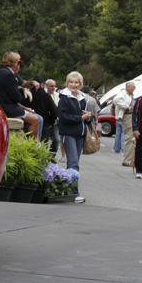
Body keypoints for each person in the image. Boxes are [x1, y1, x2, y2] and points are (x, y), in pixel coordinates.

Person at [56, 71, 90, 203]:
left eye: (76, 82)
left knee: (75, 164)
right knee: (73, 164)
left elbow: (83, 118)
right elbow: (63, 117)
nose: (73, 85)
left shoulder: (82, 98)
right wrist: (81, 117)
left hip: (80, 134)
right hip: (68, 133)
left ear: (80, 84)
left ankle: (68, 190)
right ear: (67, 82)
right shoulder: (64, 97)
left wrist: (87, 116)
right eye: (71, 82)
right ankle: (73, 193)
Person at [0, 52, 41, 139]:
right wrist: (22, 92)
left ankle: (36, 143)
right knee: (35, 120)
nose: (19, 65)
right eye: (18, 62)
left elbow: (24, 83)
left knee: (38, 117)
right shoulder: (8, 75)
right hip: (7, 107)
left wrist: (31, 83)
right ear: (14, 62)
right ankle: (33, 146)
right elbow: (16, 97)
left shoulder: (1, 71)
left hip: (3, 104)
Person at [112, 81, 136, 164]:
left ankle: (128, 158)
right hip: (127, 116)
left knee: (125, 135)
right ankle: (127, 159)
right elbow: (116, 100)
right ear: (128, 87)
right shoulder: (123, 93)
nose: (134, 88)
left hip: (127, 116)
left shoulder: (128, 94)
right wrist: (126, 106)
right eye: (133, 87)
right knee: (129, 137)